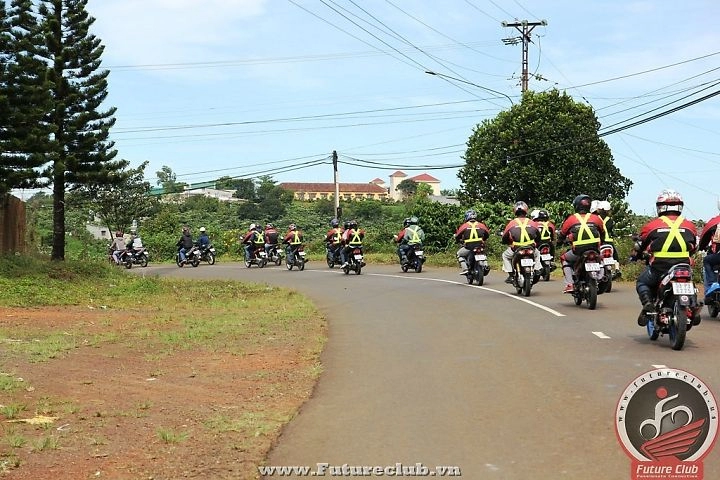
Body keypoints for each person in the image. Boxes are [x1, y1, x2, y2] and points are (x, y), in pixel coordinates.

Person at [632, 189, 697, 326]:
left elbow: (641, 245)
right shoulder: (690, 225)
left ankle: (648, 304)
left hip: (659, 267)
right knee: (691, 282)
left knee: (642, 283)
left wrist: (636, 255)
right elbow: (694, 247)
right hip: (683, 265)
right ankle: (693, 305)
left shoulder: (652, 225)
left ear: (660, 207)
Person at [557, 195, 605, 293]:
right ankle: (601, 277)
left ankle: (570, 284)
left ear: (576, 206)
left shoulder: (571, 219)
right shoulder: (596, 218)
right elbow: (602, 233)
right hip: (594, 249)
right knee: (601, 259)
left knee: (564, 259)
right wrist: (602, 242)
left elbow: (562, 234)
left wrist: (559, 242)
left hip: (578, 251)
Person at [501, 201, 542, 284]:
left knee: (505, 255)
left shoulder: (511, 223)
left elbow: (504, 237)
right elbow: (538, 237)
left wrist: (506, 242)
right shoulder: (532, 222)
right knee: (537, 254)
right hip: (531, 247)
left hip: (516, 248)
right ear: (526, 211)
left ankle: (511, 275)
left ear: (515, 212)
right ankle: (537, 270)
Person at [454, 209, 490, 275]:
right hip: (480, 246)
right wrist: (483, 240)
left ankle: (465, 269)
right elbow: (487, 234)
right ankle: (486, 265)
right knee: (484, 254)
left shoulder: (464, 226)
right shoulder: (481, 225)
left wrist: (458, 241)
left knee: (459, 254)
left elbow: (457, 236)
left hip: (468, 247)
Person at [595, 200, 621, 278]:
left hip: (600, 242)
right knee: (615, 256)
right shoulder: (610, 220)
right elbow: (611, 231)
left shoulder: (595, 219)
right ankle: (617, 269)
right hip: (609, 242)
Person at [698, 212, 720, 302]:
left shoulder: (714, 222)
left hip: (717, 256)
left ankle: (712, 284)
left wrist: (702, 247)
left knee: (707, 260)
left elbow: (704, 238)